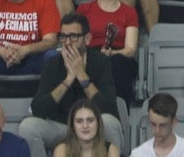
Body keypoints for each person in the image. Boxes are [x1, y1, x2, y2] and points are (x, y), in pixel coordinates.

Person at [18, 17, 122, 151]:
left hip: (93, 126)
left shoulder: (101, 62)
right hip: (63, 128)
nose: (67, 43)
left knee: (108, 121)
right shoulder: (52, 63)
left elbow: (109, 109)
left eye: (73, 37)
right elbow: (38, 109)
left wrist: (82, 76)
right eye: (63, 37)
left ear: (87, 38)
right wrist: (68, 80)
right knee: (28, 127)